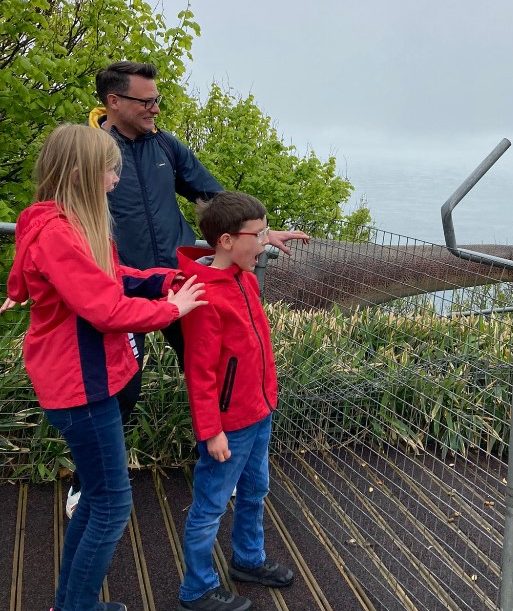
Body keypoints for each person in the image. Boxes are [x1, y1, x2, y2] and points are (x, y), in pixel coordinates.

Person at [52, 60, 308, 518]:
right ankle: (87, 484)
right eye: (146, 101)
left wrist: (262, 234)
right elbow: (58, 214)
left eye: (157, 99)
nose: (156, 108)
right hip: (123, 288)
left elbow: (213, 199)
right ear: (114, 101)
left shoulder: (166, 146)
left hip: (180, 283)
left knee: (208, 369)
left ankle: (217, 463)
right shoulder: (95, 154)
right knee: (122, 386)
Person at [2, 124, 207, 611]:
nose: (116, 179)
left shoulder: (70, 224)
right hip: (81, 385)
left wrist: (164, 279)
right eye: (109, 170)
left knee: (98, 500)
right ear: (81, 174)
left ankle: (73, 604)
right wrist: (172, 310)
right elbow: (106, 310)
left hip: (88, 380)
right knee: (112, 506)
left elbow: (114, 279)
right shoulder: (59, 235)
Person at [175, 192, 294, 611]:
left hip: (259, 411)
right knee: (209, 505)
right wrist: (211, 432)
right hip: (228, 425)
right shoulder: (204, 296)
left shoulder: (247, 279)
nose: (263, 243)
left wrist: (266, 399)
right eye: (258, 235)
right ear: (226, 240)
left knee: (255, 489)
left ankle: (248, 559)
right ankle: (197, 588)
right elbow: (201, 373)